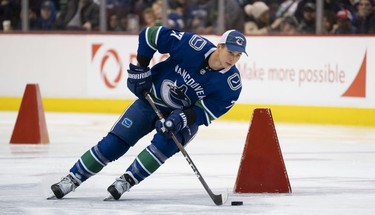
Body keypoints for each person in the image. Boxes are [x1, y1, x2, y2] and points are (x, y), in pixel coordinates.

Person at [49, 26, 248, 200]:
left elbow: (207, 111)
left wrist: (182, 118)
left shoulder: (231, 85)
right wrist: (141, 68)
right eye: (231, 52)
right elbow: (150, 35)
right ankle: (72, 179)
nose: (233, 59)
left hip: (183, 119)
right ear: (220, 47)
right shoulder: (193, 45)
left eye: (239, 55)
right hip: (151, 100)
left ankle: (126, 181)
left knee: (161, 148)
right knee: (113, 144)